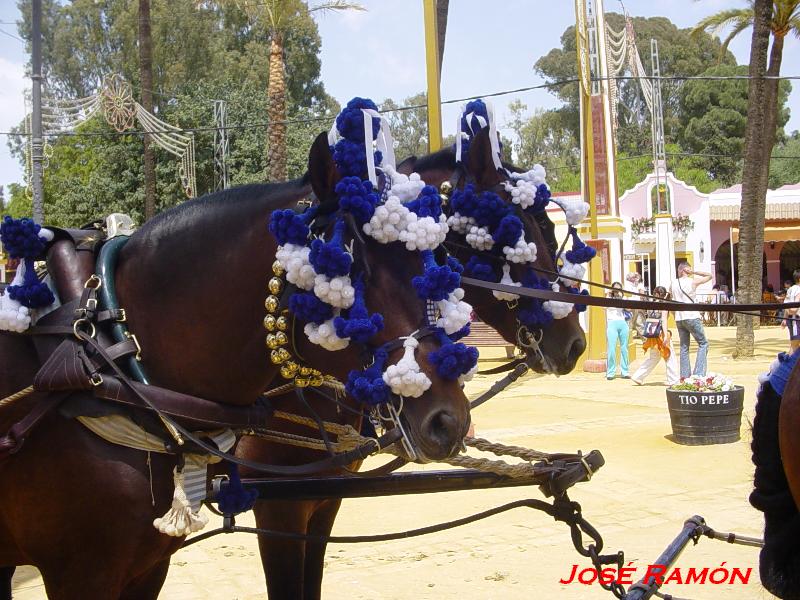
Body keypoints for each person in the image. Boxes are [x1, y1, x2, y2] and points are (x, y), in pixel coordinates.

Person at [670, 262, 711, 379]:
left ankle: (684, 376)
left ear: (679, 270)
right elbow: (709, 276)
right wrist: (693, 272)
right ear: (687, 270)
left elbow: (671, 299)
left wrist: (675, 315)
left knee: (684, 347)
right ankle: (699, 374)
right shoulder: (692, 281)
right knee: (703, 343)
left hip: (679, 318)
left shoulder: (673, 283)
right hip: (692, 316)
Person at [632, 286, 679, 386]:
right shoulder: (664, 305)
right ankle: (673, 380)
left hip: (651, 334)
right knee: (669, 356)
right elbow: (664, 320)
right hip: (660, 333)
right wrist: (666, 335)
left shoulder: (651, 304)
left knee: (653, 358)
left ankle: (638, 376)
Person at [605, 282, 629, 380]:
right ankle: (611, 372)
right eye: (615, 289)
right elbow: (604, 306)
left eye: (619, 289)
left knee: (624, 348)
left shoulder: (624, 298)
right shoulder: (608, 298)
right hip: (611, 323)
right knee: (611, 348)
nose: (617, 291)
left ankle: (625, 371)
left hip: (622, 323)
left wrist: (622, 298)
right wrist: (609, 293)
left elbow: (629, 309)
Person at [782, 270, 800, 351]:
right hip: (795, 319)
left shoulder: (790, 289)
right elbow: (794, 309)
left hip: (792, 319)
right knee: (794, 345)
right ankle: (789, 363)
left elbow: (786, 304)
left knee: (794, 345)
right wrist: (791, 312)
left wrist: (785, 319)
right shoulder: (798, 290)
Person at [624, 272, 646, 338]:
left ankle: (646, 340)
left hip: (636, 305)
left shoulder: (635, 284)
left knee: (639, 323)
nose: (635, 278)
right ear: (629, 278)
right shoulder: (627, 285)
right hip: (631, 306)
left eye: (635, 277)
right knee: (631, 324)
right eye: (634, 277)